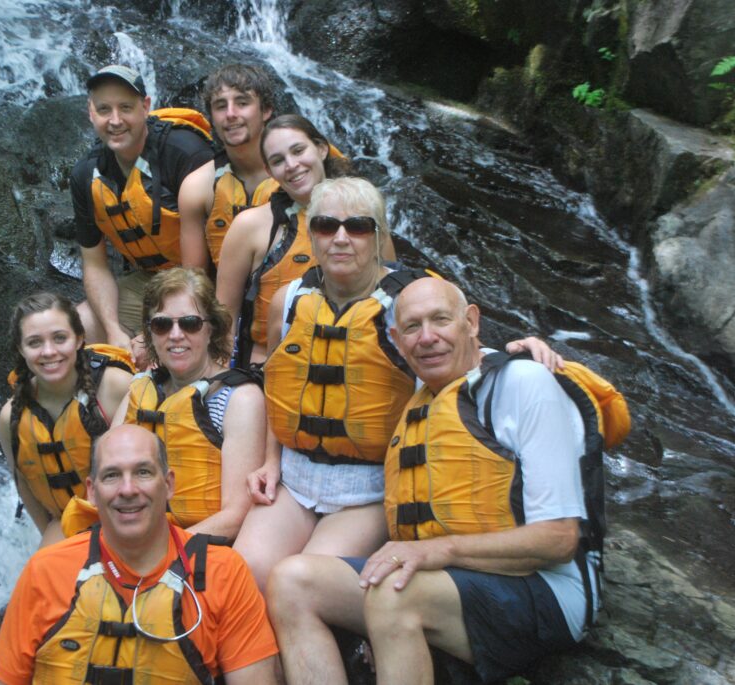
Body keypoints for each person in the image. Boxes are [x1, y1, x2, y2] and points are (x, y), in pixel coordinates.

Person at [267, 277, 617, 684]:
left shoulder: (525, 383)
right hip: (448, 583)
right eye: (412, 327)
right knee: (291, 581)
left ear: (471, 321)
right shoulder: (422, 394)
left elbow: (558, 539)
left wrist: (440, 551)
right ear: (397, 340)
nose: (427, 337)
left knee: (392, 597)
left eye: (440, 320)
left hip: (547, 590)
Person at [233, 178, 560, 591]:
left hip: (370, 489)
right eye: (326, 225)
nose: (340, 238)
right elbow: (281, 386)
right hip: (295, 478)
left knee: (303, 581)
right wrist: (269, 461)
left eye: (357, 226)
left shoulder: (406, 304)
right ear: (310, 234)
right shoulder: (287, 301)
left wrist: (520, 351)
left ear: (379, 235)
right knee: (246, 572)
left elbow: (463, 357)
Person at [0, 424, 279, 685]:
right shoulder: (45, 570)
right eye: (112, 475)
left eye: (143, 472)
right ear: (91, 492)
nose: (127, 490)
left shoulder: (223, 572)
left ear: (168, 485)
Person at [215, 115, 395, 367]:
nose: (292, 165)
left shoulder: (366, 222)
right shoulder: (249, 227)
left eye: (298, 150)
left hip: (357, 364)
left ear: (321, 149)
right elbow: (225, 318)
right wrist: (221, 384)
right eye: (278, 160)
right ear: (269, 171)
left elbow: (392, 296)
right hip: (268, 367)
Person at [70, 64, 214, 354]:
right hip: (150, 280)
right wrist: (113, 331)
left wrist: (152, 335)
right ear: (90, 112)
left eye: (125, 107)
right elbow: (95, 264)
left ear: (145, 106)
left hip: (207, 280)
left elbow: (195, 273)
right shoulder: (86, 175)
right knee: (78, 326)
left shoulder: (184, 152)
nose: (115, 120)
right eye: (104, 109)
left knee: (160, 346)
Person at [113, 268, 265, 541]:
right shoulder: (138, 388)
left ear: (211, 329)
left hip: (203, 548)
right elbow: (107, 479)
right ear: (150, 333)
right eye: (161, 325)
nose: (175, 334)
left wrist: (162, 551)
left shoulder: (240, 399)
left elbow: (236, 516)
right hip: (133, 538)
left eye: (190, 323)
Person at [0, 292, 133, 547]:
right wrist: (49, 532)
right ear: (20, 348)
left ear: (79, 339)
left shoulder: (116, 386)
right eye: (34, 342)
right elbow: (24, 484)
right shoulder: (10, 417)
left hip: (128, 516)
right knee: (40, 575)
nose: (49, 351)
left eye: (60, 338)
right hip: (65, 525)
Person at [178, 64, 279, 271]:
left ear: (266, 110)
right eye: (220, 106)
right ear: (212, 118)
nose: (230, 114)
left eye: (242, 103)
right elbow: (194, 277)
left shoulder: (300, 171)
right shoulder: (196, 187)